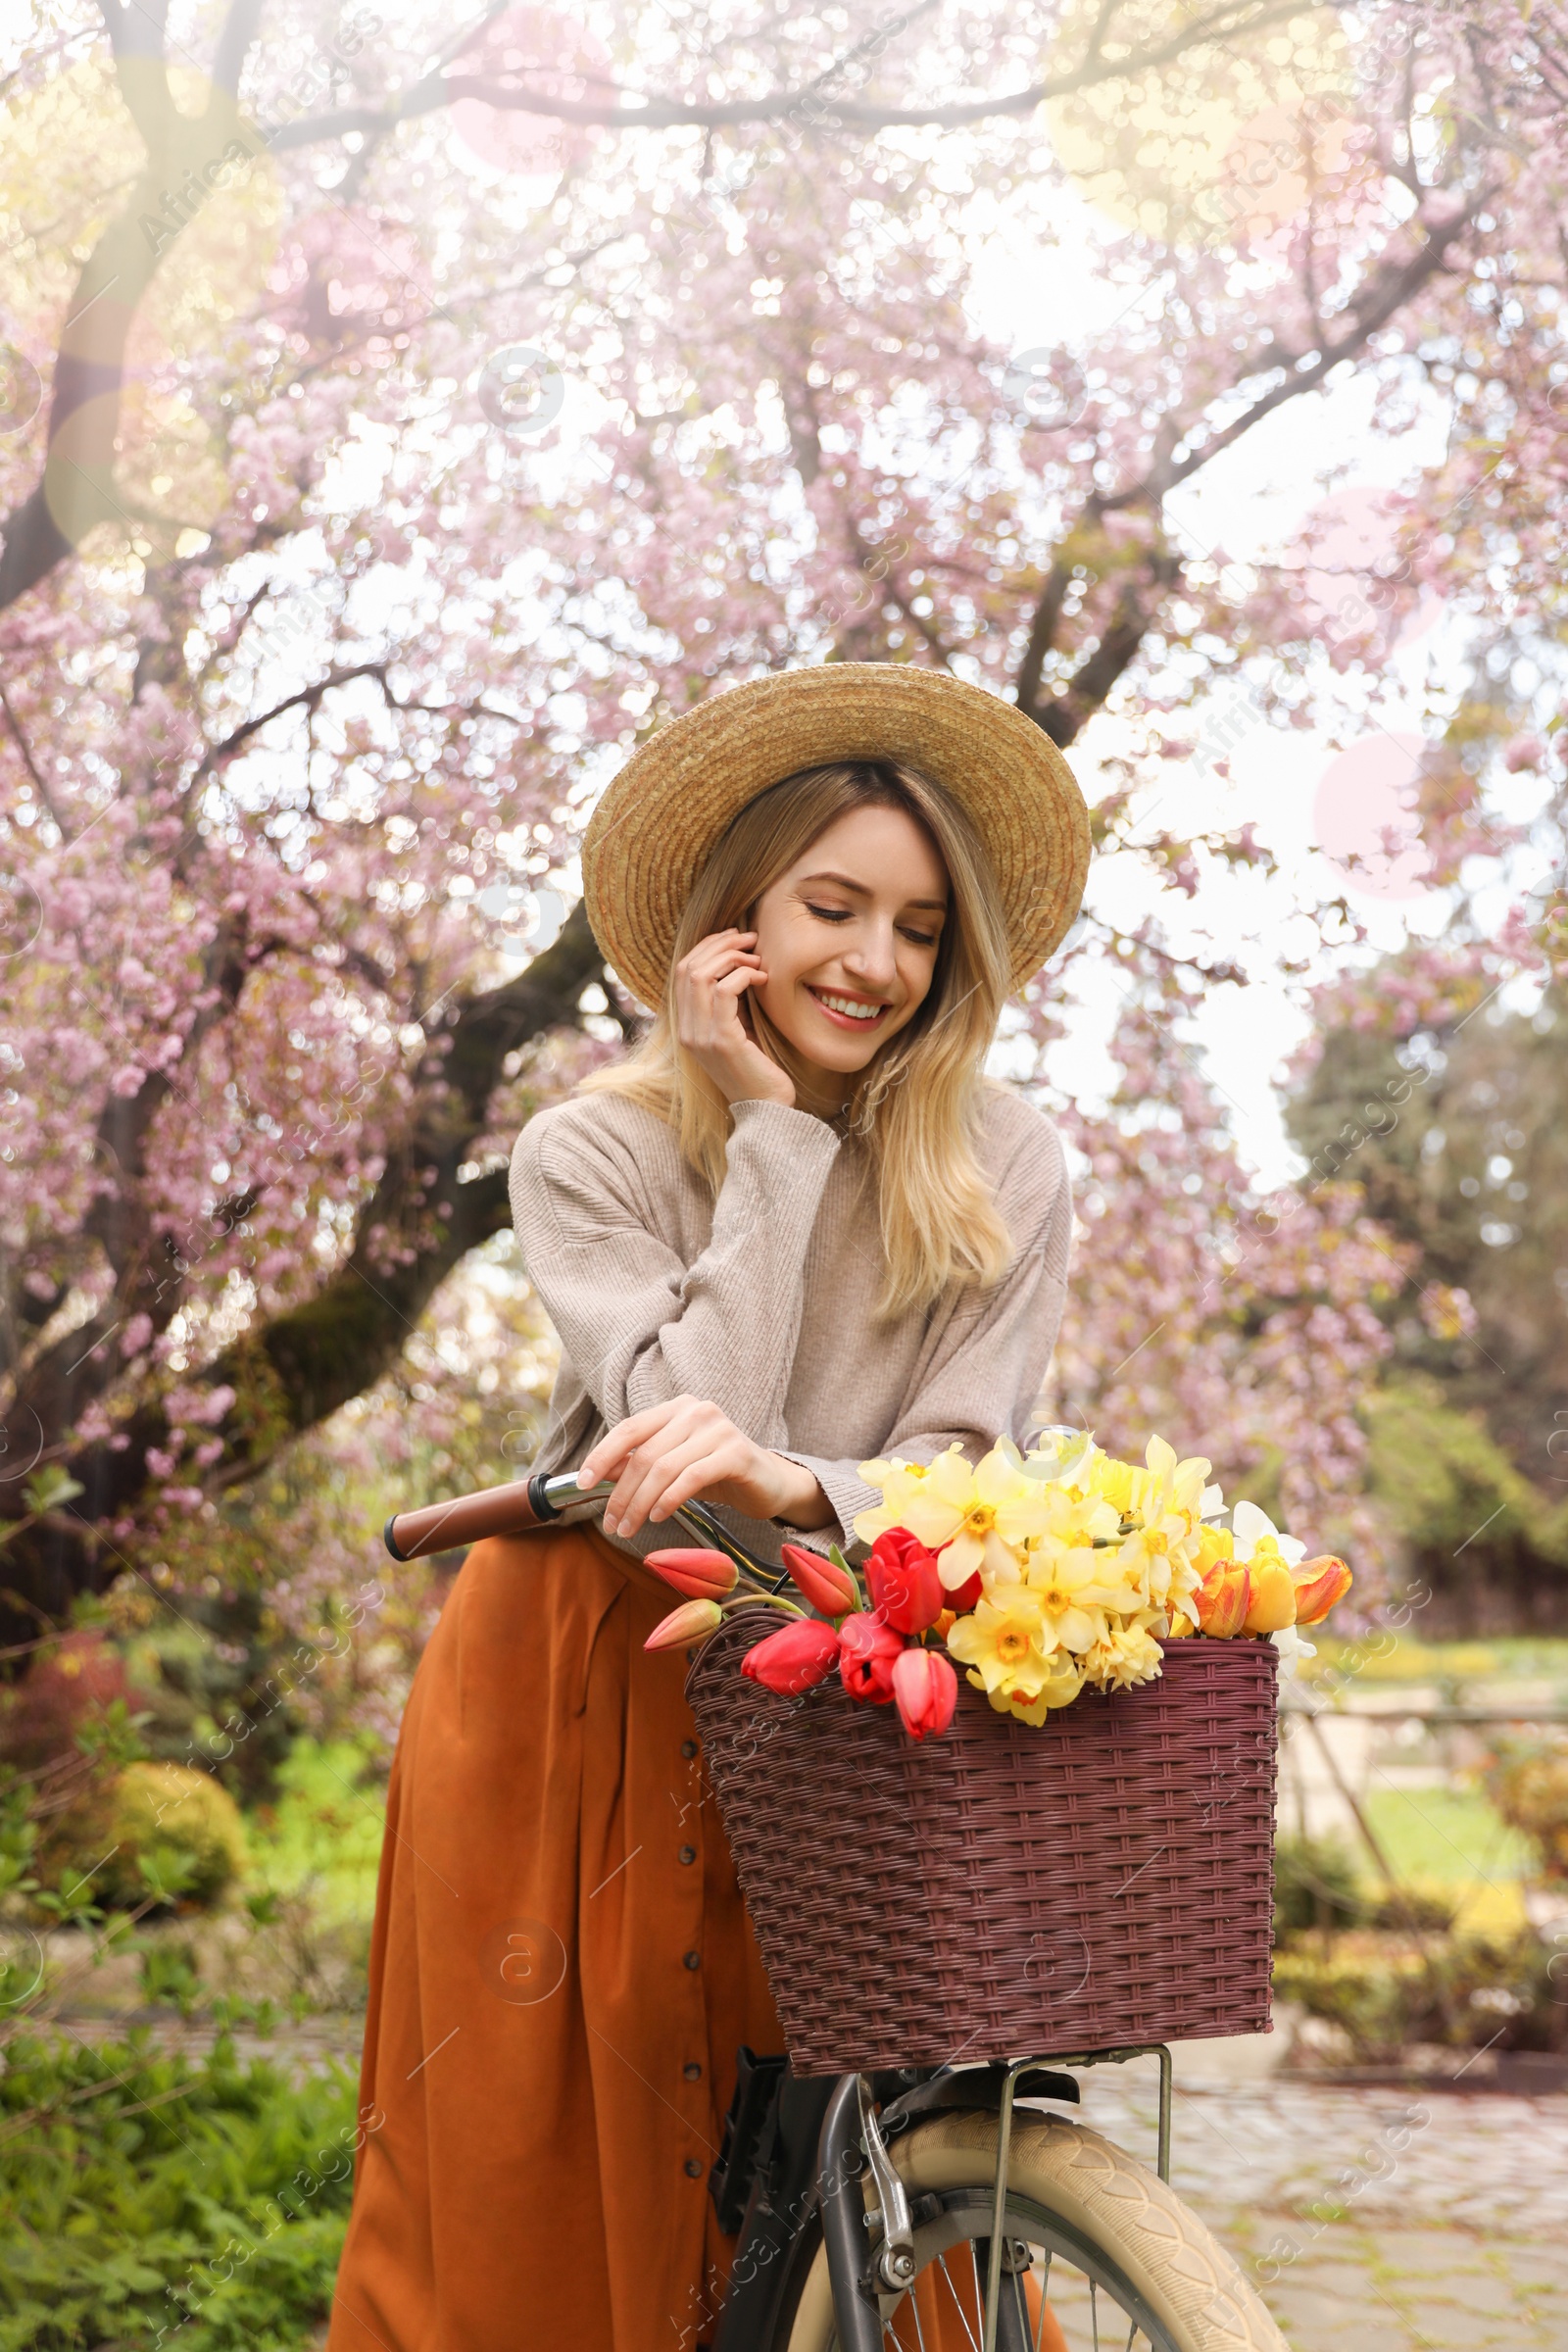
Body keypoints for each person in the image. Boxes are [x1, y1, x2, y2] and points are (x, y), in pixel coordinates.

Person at [326, 662, 1090, 2352]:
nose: (874, 965)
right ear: (738, 915)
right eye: (832, 906)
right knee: (558, 2145)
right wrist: (766, 1127)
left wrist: (812, 1485)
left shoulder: (1005, 1160)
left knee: (862, 2119)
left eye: (917, 928)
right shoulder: (590, 1152)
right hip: (589, 1667)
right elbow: (676, 1439)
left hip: (857, 1667)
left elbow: (979, 1461)